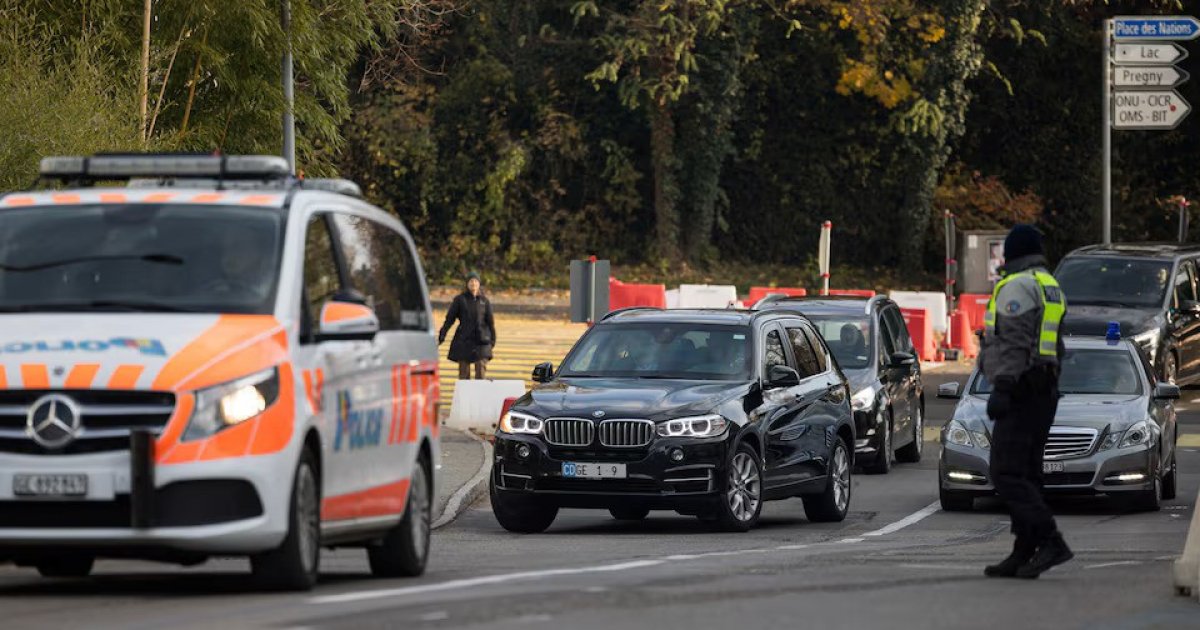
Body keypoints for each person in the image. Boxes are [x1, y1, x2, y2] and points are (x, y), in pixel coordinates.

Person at [979, 224, 1073, 579]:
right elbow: (1051, 344)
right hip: (1043, 389)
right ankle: (1024, 549)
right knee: (1028, 474)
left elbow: (1015, 341)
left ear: (1012, 253)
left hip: (1021, 390)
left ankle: (1050, 539)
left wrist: (1003, 386)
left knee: (1005, 472)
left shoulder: (1017, 286)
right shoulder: (1049, 284)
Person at [439, 272, 496, 380]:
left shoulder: (484, 301)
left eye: (475, 281)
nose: (473, 284)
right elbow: (450, 319)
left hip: (481, 340)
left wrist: (492, 339)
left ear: (479, 284)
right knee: (464, 374)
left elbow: (490, 322)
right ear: (467, 284)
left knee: (480, 370)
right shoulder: (460, 300)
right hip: (464, 339)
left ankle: (479, 391)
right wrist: (443, 333)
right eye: (471, 281)